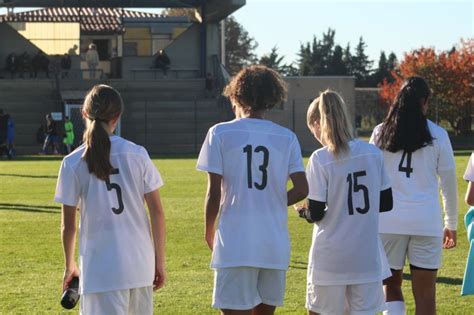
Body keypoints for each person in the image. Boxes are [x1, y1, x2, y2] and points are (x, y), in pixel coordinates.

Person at [196, 65, 308, 315]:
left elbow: (214, 194)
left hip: (236, 240)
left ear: (236, 95)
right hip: (273, 243)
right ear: (272, 98)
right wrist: (274, 200)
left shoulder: (220, 133)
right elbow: (302, 189)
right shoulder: (286, 137)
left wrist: (208, 230)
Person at [54, 84, 166, 314]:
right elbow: (157, 212)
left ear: (84, 114)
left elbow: (68, 225)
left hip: (100, 269)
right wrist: (159, 261)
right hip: (139, 265)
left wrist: (69, 266)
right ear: (117, 116)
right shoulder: (137, 154)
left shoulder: (73, 162)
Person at [297, 90, 392, 315]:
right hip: (365, 255)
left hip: (331, 257)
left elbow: (317, 212)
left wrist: (304, 212)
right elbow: (386, 203)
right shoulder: (372, 153)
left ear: (317, 123)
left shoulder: (320, 158)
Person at [370, 76, 458, 315]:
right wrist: (451, 223)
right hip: (426, 222)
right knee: (427, 295)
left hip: (387, 221)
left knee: (391, 287)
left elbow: (370, 178)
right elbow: (448, 183)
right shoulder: (439, 134)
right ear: (424, 102)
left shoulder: (380, 132)